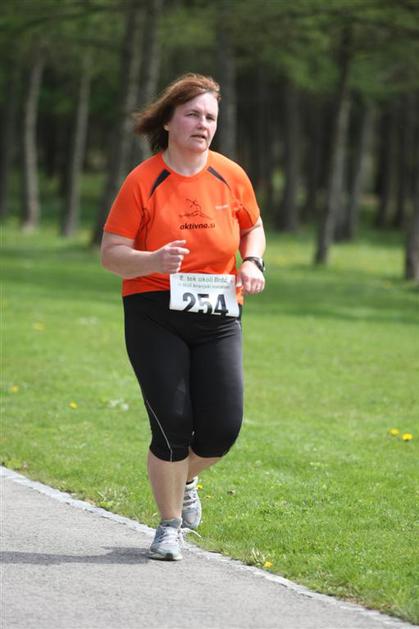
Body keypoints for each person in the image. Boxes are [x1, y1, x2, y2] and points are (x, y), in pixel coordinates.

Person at [101, 73, 266, 561]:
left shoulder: (230, 175)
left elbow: (253, 227)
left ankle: (183, 479)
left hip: (218, 311)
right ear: (169, 122)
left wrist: (252, 261)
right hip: (154, 310)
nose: (203, 124)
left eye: (211, 117)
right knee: (172, 423)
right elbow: (111, 254)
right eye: (193, 114)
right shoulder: (143, 180)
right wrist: (152, 260)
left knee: (222, 428)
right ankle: (169, 526)